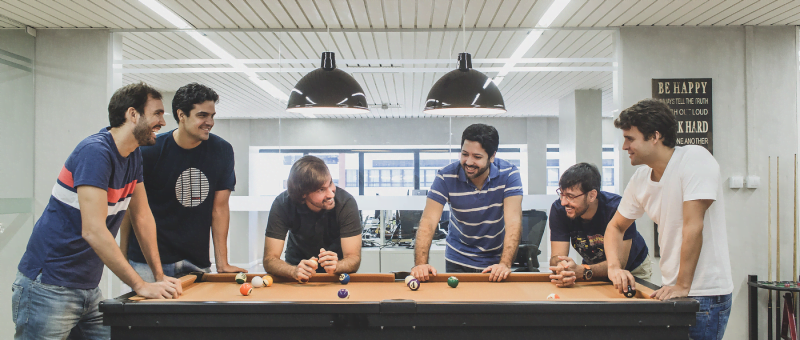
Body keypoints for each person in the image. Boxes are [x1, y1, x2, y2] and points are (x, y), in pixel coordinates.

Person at [12, 82, 182, 340]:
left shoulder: (133, 155)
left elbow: (142, 216)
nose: (162, 121)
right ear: (132, 114)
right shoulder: (96, 152)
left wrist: (158, 277)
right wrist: (140, 284)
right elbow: (93, 230)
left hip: (88, 288)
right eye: (157, 113)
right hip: (48, 287)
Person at [605, 99, 732, 340]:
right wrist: (614, 268)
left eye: (630, 138)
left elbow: (693, 225)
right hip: (670, 288)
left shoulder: (695, 159)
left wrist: (683, 286)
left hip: (704, 294)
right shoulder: (641, 178)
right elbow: (615, 227)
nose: (624, 146)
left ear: (655, 136)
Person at [120, 83, 245, 281]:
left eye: (212, 116)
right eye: (202, 115)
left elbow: (219, 209)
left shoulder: (222, 151)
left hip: (196, 261)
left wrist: (222, 262)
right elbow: (132, 209)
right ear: (181, 115)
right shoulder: (148, 152)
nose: (210, 122)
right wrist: (123, 253)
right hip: (149, 262)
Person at [412, 124, 523, 282]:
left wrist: (505, 263)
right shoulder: (445, 176)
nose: (468, 162)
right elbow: (428, 221)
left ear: (492, 157)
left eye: (477, 157)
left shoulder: (509, 174)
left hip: (495, 262)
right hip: (458, 258)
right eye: (464, 154)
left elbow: (513, 221)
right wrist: (420, 264)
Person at [548, 162, 650, 288]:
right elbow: (556, 256)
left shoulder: (616, 208)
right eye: (562, 194)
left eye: (570, 196)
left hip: (632, 268)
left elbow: (620, 264)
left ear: (592, 195)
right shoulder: (559, 210)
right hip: (592, 268)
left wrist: (583, 270)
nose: (563, 202)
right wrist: (563, 266)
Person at [263, 155, 362, 281]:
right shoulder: (282, 204)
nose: (331, 193)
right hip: (296, 272)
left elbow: (354, 258)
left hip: (336, 275)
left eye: (330, 183)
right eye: (321, 190)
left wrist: (338, 266)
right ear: (303, 194)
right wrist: (293, 271)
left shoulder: (346, 203)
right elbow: (269, 259)